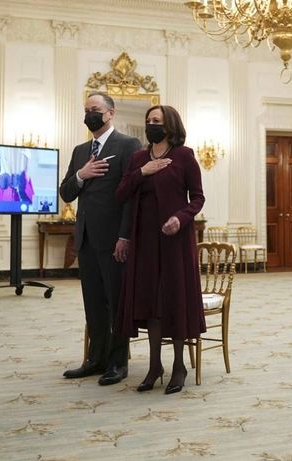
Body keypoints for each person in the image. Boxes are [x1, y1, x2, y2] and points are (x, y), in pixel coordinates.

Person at [114, 104, 206, 395]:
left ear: (170, 126)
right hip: (144, 240)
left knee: (173, 300)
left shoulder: (184, 156)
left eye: (157, 120)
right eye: (148, 120)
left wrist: (180, 218)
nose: (151, 124)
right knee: (151, 302)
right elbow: (122, 193)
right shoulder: (139, 158)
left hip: (174, 239)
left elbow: (198, 197)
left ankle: (179, 365)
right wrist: (143, 171)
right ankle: (155, 366)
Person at [59, 91, 142, 385]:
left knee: (116, 303)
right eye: (86, 109)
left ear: (110, 113)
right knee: (93, 304)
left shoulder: (128, 145)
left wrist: (125, 236)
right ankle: (95, 360)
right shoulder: (80, 151)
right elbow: (66, 192)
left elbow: (133, 196)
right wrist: (81, 174)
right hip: (86, 239)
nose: (89, 114)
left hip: (114, 241)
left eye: (94, 109)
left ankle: (118, 364)